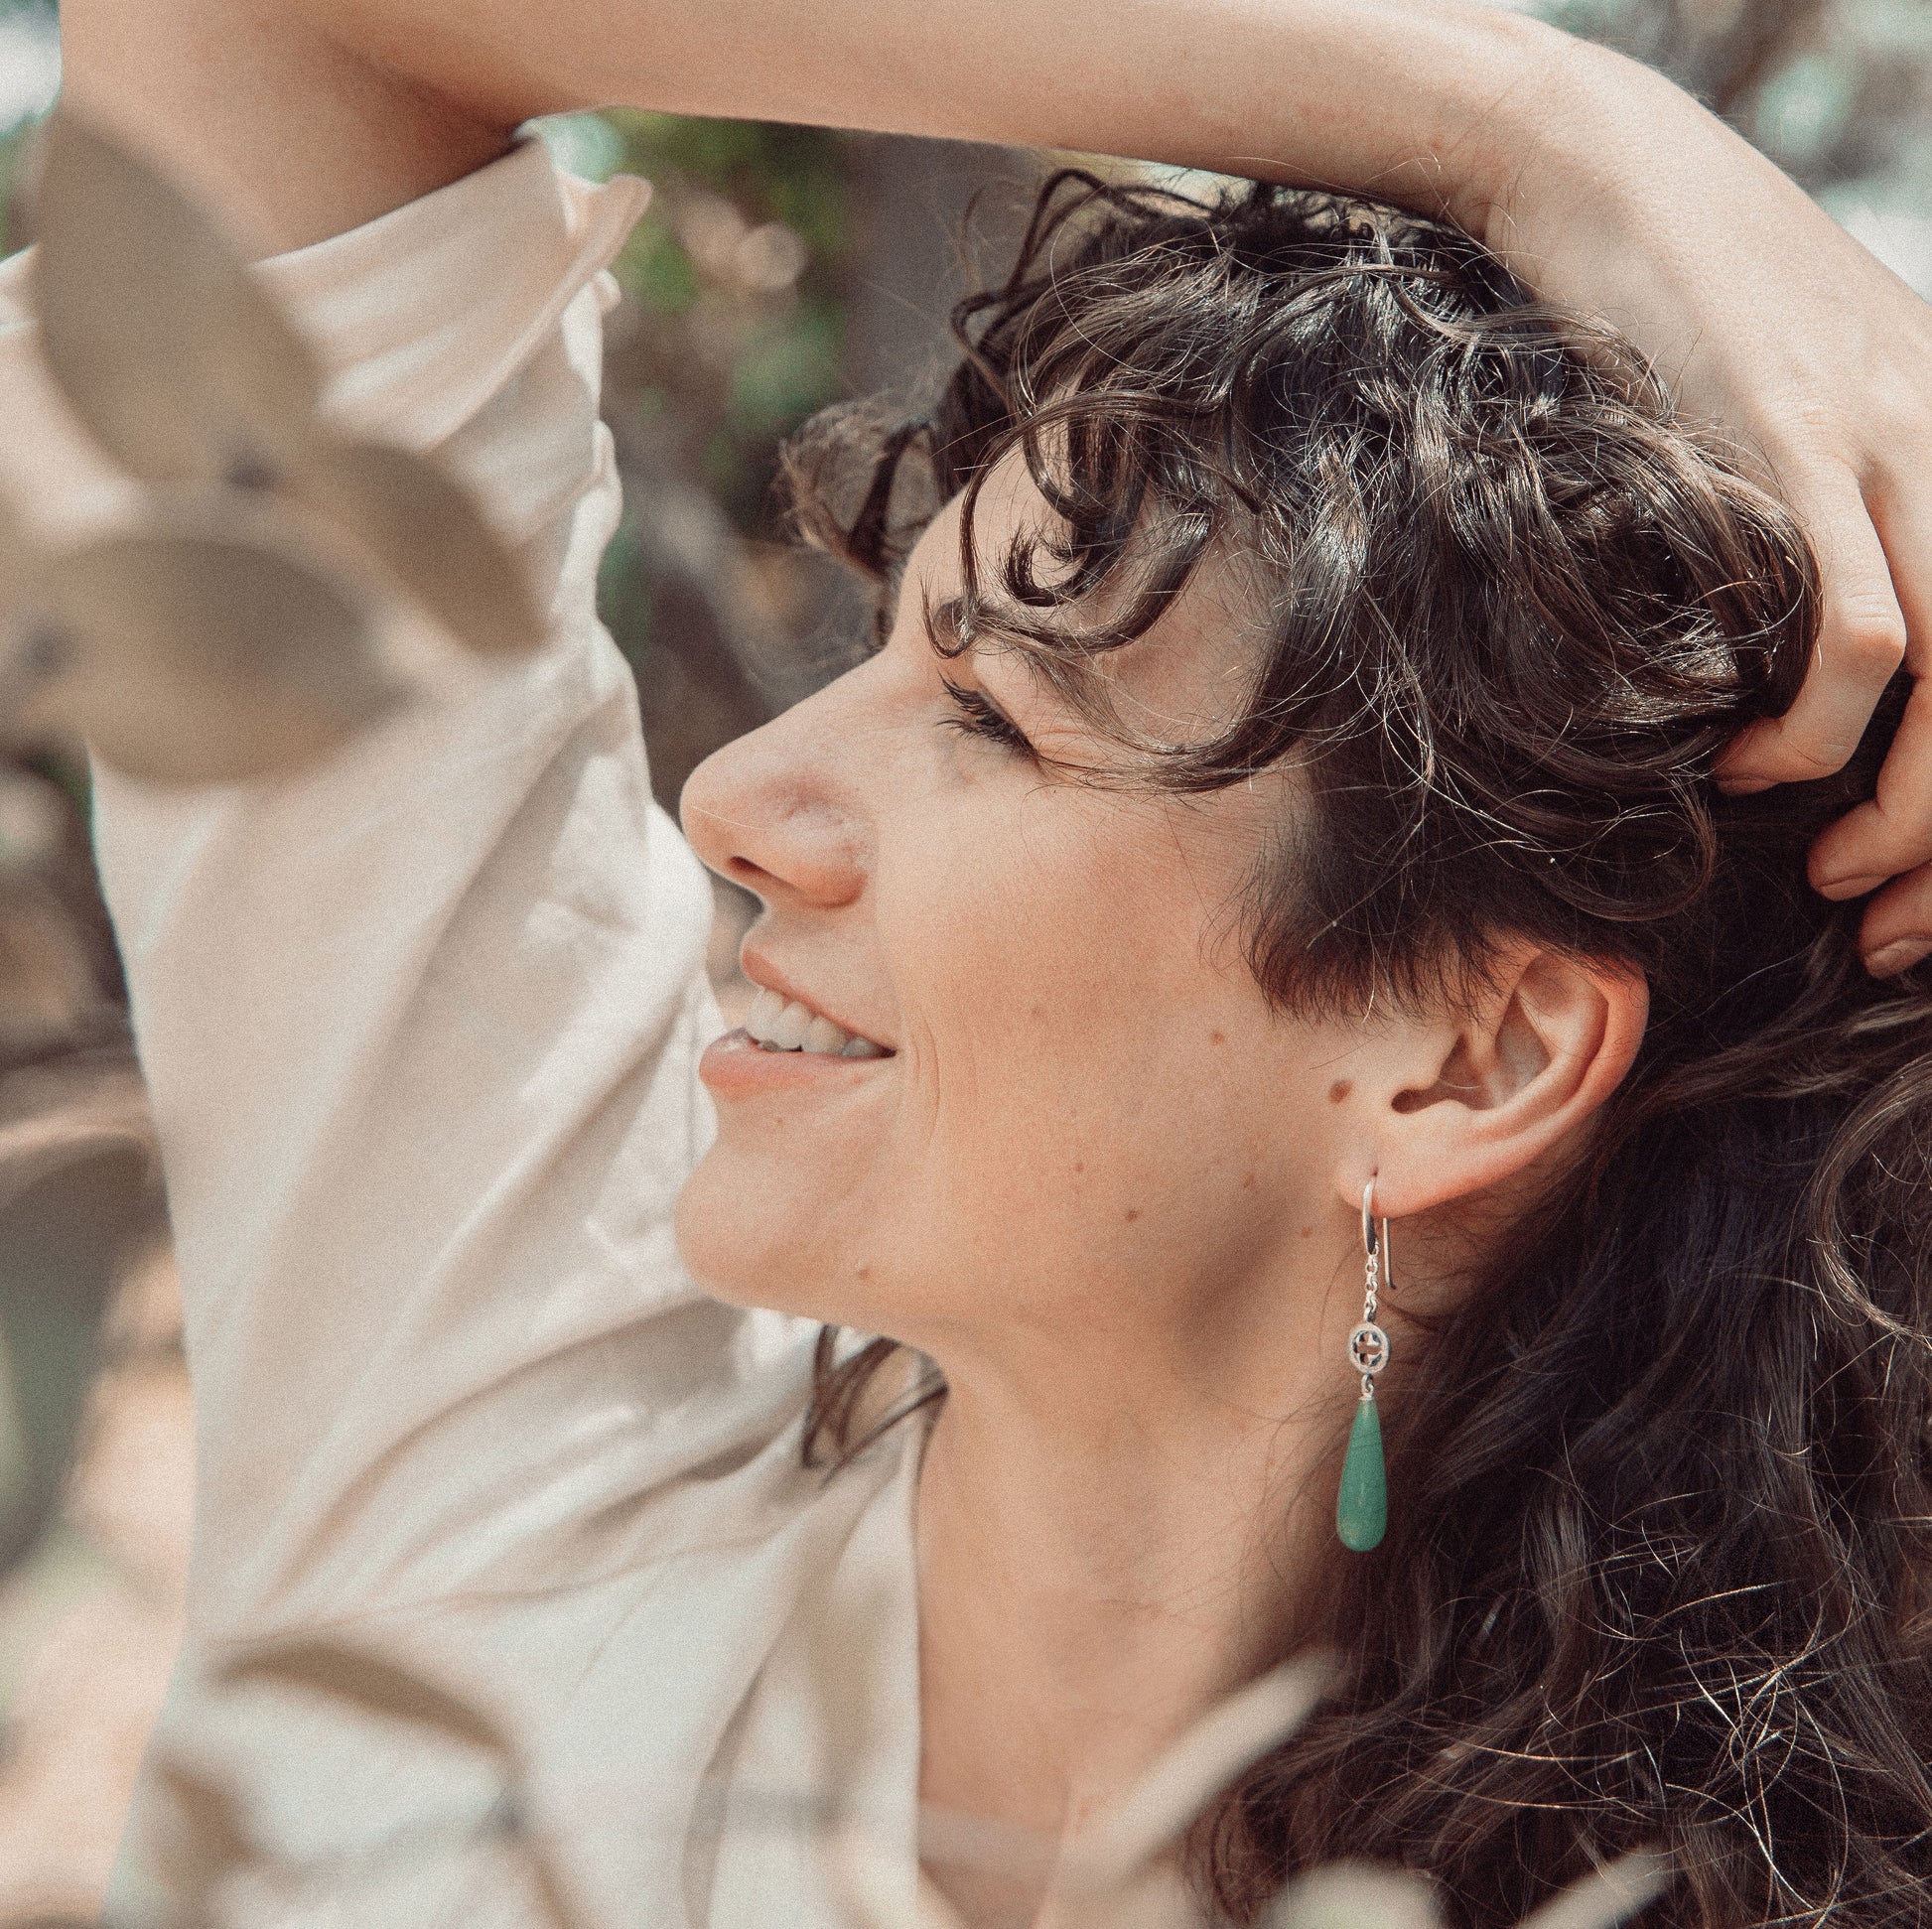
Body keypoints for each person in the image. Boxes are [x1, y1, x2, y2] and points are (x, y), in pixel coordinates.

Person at [30, 1, 1932, 1924]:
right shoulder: (507, 1438)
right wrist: (1540, 126)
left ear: (1469, 1058)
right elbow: (258, 35)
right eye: (872, 652)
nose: (742, 796)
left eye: (994, 720)